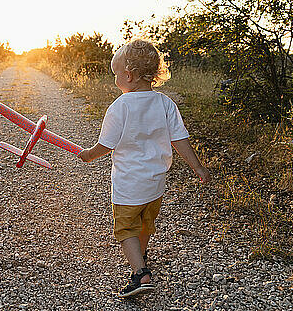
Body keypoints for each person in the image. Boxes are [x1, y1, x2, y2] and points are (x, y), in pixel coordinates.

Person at [79, 39, 211, 298]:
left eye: (116, 74)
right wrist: (198, 167)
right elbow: (179, 139)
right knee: (144, 225)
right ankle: (141, 256)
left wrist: (89, 155)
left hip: (129, 186)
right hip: (155, 185)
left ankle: (140, 273)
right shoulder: (165, 103)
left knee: (126, 229)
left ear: (128, 75)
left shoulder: (120, 107)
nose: (116, 79)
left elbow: (106, 144)